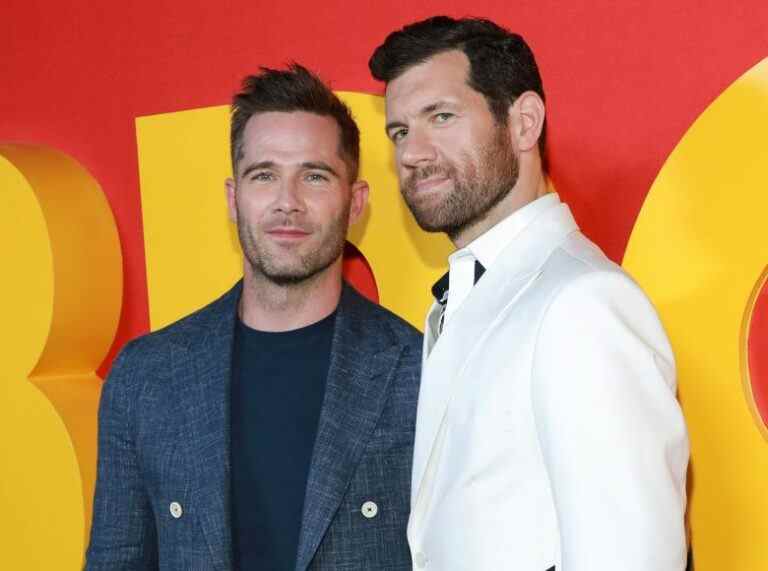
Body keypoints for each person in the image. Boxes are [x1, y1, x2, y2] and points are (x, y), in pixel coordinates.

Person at [370, 16, 689, 571]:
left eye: (440, 117)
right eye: (399, 132)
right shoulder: (465, 298)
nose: (412, 154)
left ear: (523, 123)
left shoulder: (583, 304)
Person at [85, 64, 421, 571]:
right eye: (264, 175)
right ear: (233, 197)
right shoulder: (146, 377)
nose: (288, 203)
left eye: (314, 176)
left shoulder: (420, 373)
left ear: (355, 203)